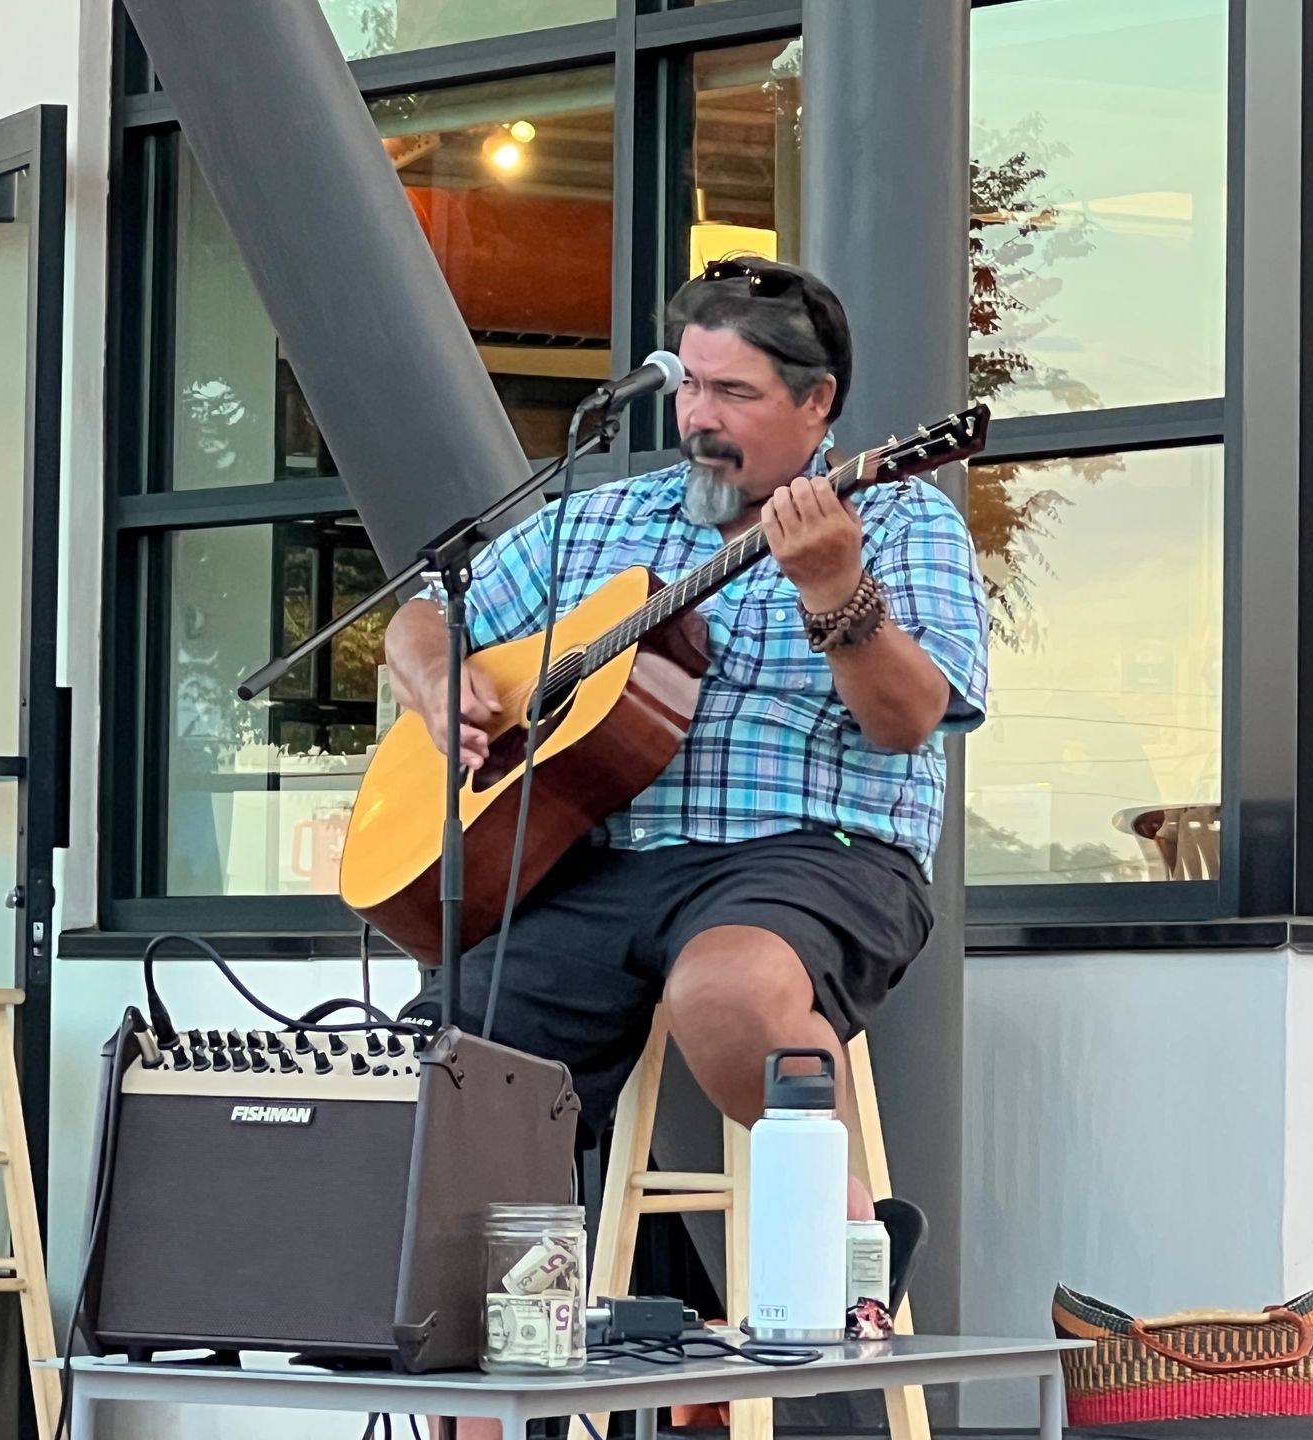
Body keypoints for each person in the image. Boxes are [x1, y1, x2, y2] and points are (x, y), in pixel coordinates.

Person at [386, 256, 989, 1220]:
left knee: (727, 994)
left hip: (812, 854)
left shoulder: (899, 515)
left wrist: (837, 590)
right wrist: (437, 679)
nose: (699, 416)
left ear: (816, 401)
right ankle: (472, 1315)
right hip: (599, 863)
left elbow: (908, 718)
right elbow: (420, 617)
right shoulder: (596, 517)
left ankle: (846, 1248)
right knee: (442, 1063)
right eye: (690, 384)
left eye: (734, 393)